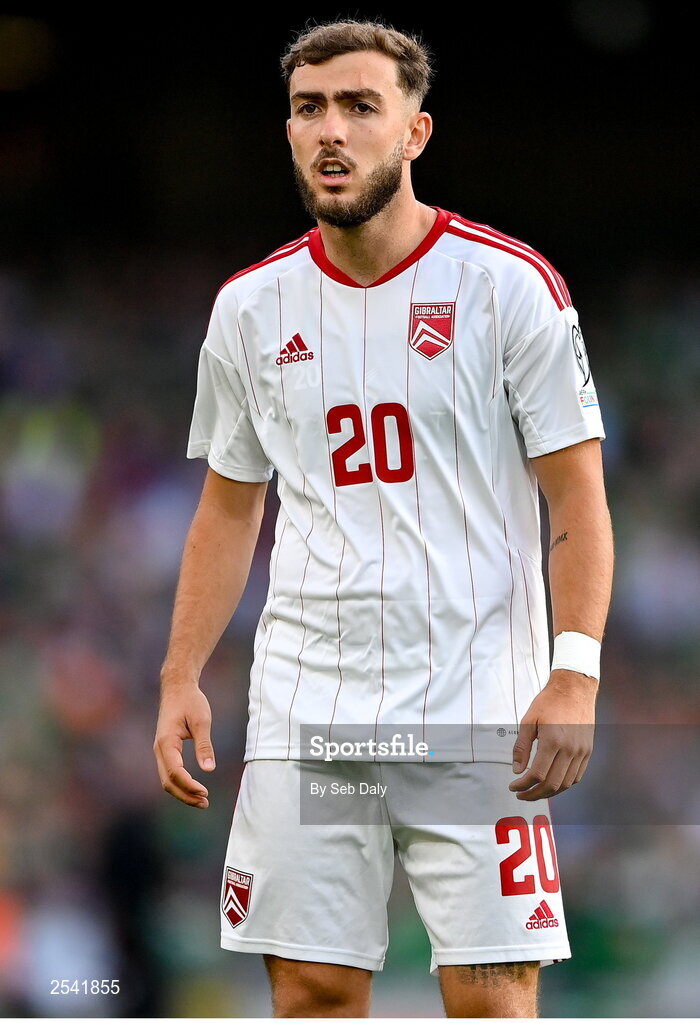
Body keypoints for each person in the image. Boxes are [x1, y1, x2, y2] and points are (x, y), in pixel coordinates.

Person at [153, 19, 614, 1019]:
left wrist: (573, 671)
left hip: (472, 701)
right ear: (286, 132)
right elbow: (229, 507)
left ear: (415, 132)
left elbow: (576, 494)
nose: (332, 130)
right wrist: (180, 672)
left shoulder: (508, 287)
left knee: (491, 996)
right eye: (310, 107)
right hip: (307, 709)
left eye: (361, 106)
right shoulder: (249, 308)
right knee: (313, 992)